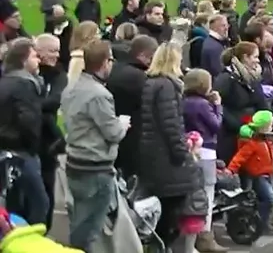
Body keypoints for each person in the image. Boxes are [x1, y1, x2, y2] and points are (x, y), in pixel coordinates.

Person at [61, 40, 127, 251]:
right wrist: (122, 123)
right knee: (89, 230)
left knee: (79, 220)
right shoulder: (100, 95)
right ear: (105, 62)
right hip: (95, 168)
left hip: (75, 163)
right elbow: (113, 133)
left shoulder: (72, 87)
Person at [139, 43, 202, 247]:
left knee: (161, 212)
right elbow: (171, 124)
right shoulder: (167, 86)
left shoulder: (152, 83)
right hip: (166, 157)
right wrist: (183, 153)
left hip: (153, 153)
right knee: (170, 215)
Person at [0, 39, 48, 225]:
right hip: (22, 152)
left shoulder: (5, 81)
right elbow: (29, 121)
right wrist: (33, 146)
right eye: (35, 56)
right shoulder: (24, 85)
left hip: (7, 150)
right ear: (23, 60)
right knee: (39, 203)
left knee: (13, 201)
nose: (39, 61)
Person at [182, 68, 229, 252]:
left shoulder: (183, 101)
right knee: (207, 194)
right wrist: (218, 106)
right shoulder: (203, 104)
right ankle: (205, 236)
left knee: (193, 195)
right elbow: (216, 125)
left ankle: (192, 240)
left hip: (190, 148)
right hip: (207, 150)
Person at [109, 35, 158, 178]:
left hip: (116, 132)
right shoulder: (138, 77)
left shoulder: (118, 68)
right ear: (143, 55)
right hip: (133, 137)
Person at [213, 42, 268, 163]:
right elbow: (217, 104)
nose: (258, 61)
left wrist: (267, 117)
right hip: (231, 137)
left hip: (253, 135)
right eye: (255, 57)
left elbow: (261, 102)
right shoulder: (226, 79)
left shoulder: (253, 78)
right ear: (245, 57)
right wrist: (238, 126)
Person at [34, 34, 67, 231]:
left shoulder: (58, 75)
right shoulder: (28, 71)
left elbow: (55, 100)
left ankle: (44, 230)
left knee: (47, 188)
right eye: (52, 50)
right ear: (38, 52)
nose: (56, 55)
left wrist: (29, 105)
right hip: (25, 139)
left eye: (58, 50)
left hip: (47, 142)